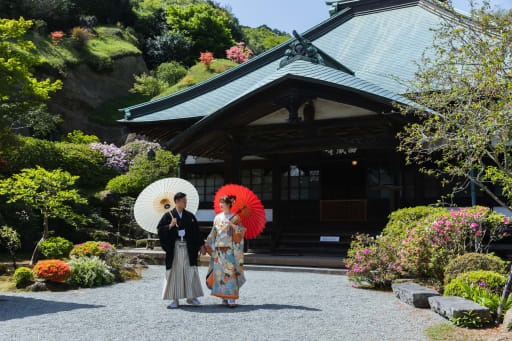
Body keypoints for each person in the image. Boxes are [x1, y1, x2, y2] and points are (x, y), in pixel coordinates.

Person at [157, 192, 206, 309]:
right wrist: (170, 226)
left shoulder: (190, 216)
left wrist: (201, 245)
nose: (185, 202)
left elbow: (196, 232)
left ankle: (191, 297)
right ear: (177, 201)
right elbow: (160, 230)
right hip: (175, 247)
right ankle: (175, 299)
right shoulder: (168, 216)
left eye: (186, 200)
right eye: (183, 200)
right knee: (175, 272)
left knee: (190, 270)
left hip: (188, 247)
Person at [205, 195, 246, 308]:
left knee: (230, 272)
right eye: (220, 203)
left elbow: (241, 232)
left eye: (222, 203)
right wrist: (206, 243)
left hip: (230, 250)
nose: (221, 205)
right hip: (219, 250)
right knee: (220, 274)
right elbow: (213, 233)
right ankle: (223, 297)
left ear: (229, 204)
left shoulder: (236, 218)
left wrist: (232, 225)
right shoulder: (217, 218)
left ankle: (231, 298)